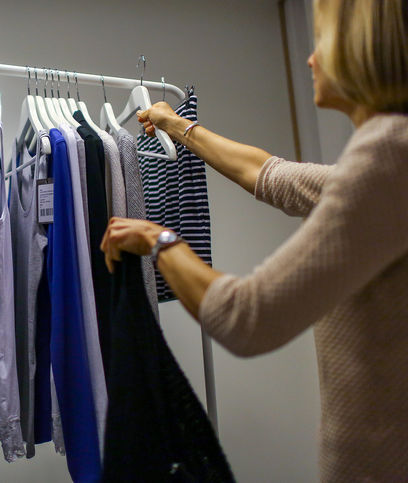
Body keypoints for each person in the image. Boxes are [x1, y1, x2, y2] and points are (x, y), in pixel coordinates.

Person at [100, 0, 408, 480]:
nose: (310, 59)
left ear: (361, 48)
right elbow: (269, 174)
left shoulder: (389, 154)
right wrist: (176, 126)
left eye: (322, 42)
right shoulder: (394, 157)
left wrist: (159, 241)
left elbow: (247, 317)